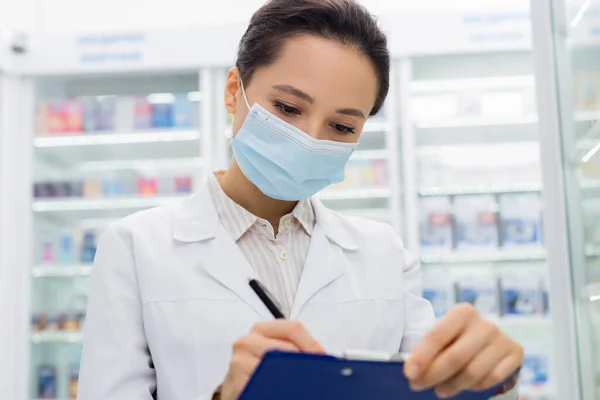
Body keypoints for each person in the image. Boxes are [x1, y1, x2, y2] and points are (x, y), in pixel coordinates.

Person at [77, 1, 523, 399]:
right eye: (288, 108)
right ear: (235, 91)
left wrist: (491, 379)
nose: (310, 139)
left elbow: (435, 388)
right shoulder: (137, 248)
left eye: (342, 127)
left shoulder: (384, 254)